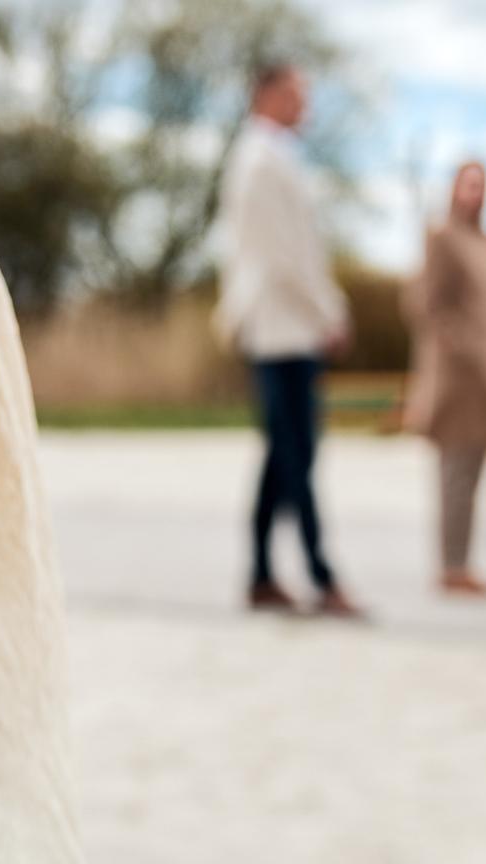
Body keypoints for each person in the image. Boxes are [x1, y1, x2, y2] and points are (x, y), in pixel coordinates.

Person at [214, 61, 362, 618]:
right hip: (281, 329)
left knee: (284, 454)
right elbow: (283, 256)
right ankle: (322, 576)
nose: (305, 104)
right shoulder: (259, 161)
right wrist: (329, 313)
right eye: (297, 93)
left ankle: (259, 576)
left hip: (292, 326)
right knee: (297, 454)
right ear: (268, 95)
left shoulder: (274, 156)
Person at [401, 161, 486, 595]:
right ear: (454, 189)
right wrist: (464, 348)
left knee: (474, 474)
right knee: (456, 474)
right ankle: (452, 567)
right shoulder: (442, 238)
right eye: (470, 185)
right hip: (459, 378)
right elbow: (425, 306)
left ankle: (462, 562)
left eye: (482, 186)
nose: (477, 193)